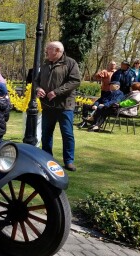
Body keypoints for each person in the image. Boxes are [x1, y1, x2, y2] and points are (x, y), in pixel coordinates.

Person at [35, 41, 81, 171]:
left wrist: (56, 92)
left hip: (65, 105)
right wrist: (37, 89)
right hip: (47, 105)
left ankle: (69, 161)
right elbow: (36, 81)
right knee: (46, 133)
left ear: (57, 51)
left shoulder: (70, 63)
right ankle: (47, 159)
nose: (46, 52)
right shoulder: (45, 64)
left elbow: (75, 81)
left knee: (67, 134)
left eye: (48, 49)